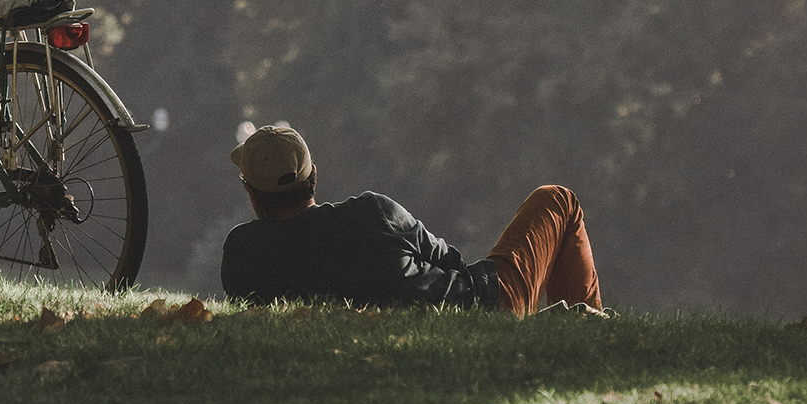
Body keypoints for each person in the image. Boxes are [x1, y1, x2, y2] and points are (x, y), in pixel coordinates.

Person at [219, 124, 604, 316]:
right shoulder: (374, 213)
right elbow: (452, 262)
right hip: (482, 305)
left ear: (251, 193)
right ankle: (595, 330)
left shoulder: (242, 253)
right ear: (314, 176)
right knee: (558, 200)